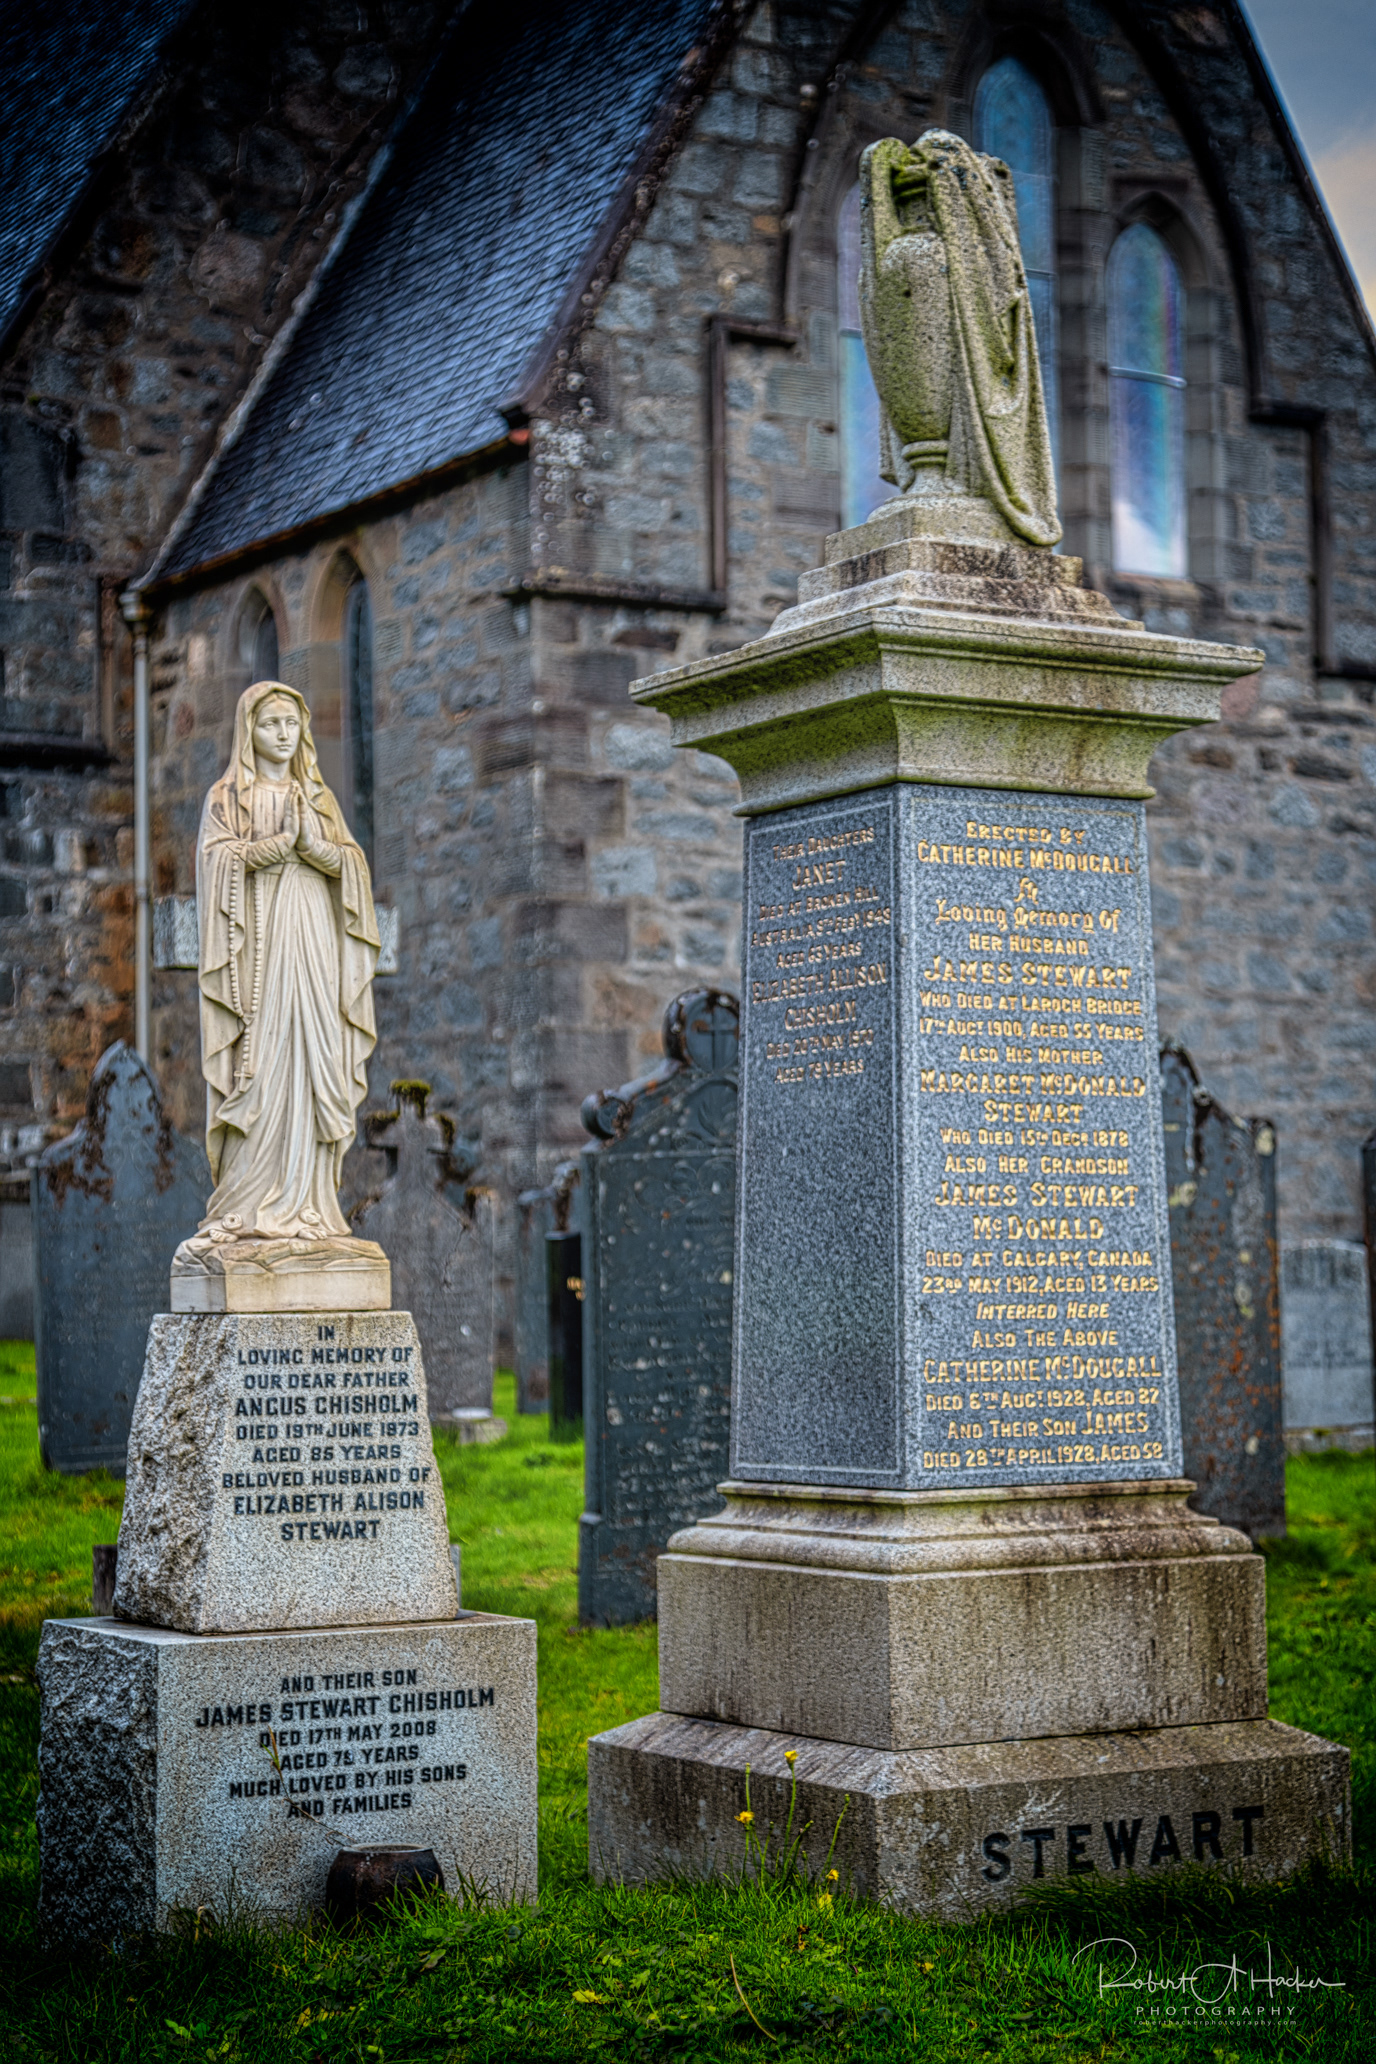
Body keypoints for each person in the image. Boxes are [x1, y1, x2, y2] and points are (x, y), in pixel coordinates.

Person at [193, 679, 379, 1244]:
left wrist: (312, 848)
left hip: (314, 940)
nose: (283, 734)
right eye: (271, 723)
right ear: (248, 731)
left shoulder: (319, 801)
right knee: (266, 1057)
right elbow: (215, 860)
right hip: (260, 944)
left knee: (313, 1054)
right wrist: (270, 848)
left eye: (292, 724)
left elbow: (352, 868)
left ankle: (313, 1204)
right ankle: (248, 1201)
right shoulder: (228, 798)